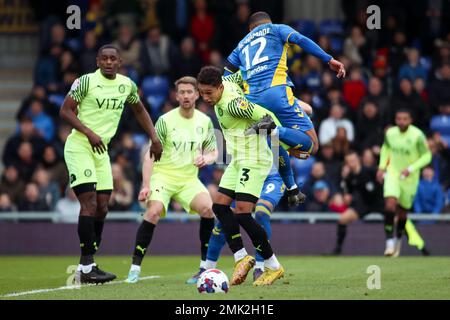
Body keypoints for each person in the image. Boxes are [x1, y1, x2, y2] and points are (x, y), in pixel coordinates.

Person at [60, 44, 162, 285]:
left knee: (103, 207)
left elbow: (139, 110)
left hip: (101, 149)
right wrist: (88, 132)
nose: (108, 62)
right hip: (80, 146)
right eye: (103, 58)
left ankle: (89, 262)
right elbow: (65, 110)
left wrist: (155, 138)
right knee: (90, 203)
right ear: (97, 61)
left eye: (112, 59)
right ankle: (86, 267)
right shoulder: (85, 82)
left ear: (119, 62)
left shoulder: (126, 85)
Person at [224, 11, 345, 205]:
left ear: (250, 29)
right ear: (266, 23)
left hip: (252, 102)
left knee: (277, 139)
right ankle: (273, 129)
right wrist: (328, 59)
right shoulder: (276, 29)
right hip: (277, 94)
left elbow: (226, 77)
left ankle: (292, 188)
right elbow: (300, 39)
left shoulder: (241, 44)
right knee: (311, 145)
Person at [186, 101, 315, 284]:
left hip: (271, 179)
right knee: (223, 218)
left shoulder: (270, 130)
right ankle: (206, 268)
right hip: (247, 172)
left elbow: (283, 161)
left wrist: (292, 187)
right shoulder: (244, 121)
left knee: (260, 213)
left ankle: (261, 266)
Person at [125, 76, 218, 284]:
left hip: (188, 180)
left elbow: (214, 151)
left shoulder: (205, 121)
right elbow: (150, 154)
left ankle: (204, 268)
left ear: (197, 94)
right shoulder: (165, 121)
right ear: (176, 96)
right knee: (154, 211)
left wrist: (207, 158)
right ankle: (135, 268)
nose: (186, 96)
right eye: (182, 92)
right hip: (163, 177)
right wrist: (146, 185)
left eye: (189, 92)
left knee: (208, 209)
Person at [197, 66, 284, 286]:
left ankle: (273, 265)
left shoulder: (234, 105)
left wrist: (255, 130)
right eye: (202, 93)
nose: (205, 98)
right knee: (220, 206)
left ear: (220, 87)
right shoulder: (228, 80)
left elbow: (268, 118)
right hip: (238, 159)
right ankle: (241, 257)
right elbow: (244, 72)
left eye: (209, 93)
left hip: (254, 159)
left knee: (243, 214)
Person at [377, 109, 432, 257]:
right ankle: (389, 243)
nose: (401, 122)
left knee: (402, 213)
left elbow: (427, 156)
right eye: (399, 119)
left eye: (405, 119)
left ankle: (398, 239)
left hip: (410, 177)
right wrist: (382, 167)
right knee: (390, 204)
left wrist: (411, 168)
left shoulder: (417, 136)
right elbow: (386, 148)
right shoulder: (390, 133)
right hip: (393, 173)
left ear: (410, 120)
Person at [330, 151, 384, 255]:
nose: (352, 163)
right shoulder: (349, 177)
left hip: (378, 202)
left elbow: (383, 180)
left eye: (353, 160)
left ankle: (398, 244)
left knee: (395, 218)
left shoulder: (370, 171)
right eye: (349, 161)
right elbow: (346, 196)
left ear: (358, 160)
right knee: (342, 219)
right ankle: (338, 249)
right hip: (363, 205)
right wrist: (344, 178)